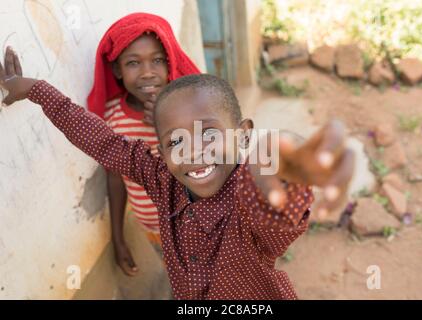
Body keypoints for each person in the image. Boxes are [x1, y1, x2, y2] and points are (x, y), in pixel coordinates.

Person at [0, 48, 354, 299]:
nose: (193, 151)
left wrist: (285, 173)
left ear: (244, 134)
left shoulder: (249, 201)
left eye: (210, 134)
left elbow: (279, 214)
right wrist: (35, 90)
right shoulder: (162, 181)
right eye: (175, 141)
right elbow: (104, 142)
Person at [87, 13, 200, 276]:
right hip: (155, 232)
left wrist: (166, 126)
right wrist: (118, 237)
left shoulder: (189, 108)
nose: (147, 73)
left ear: (170, 62)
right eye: (133, 63)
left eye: (158, 60)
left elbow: (205, 168)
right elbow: (116, 179)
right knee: (183, 280)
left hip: (201, 226)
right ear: (117, 70)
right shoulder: (113, 118)